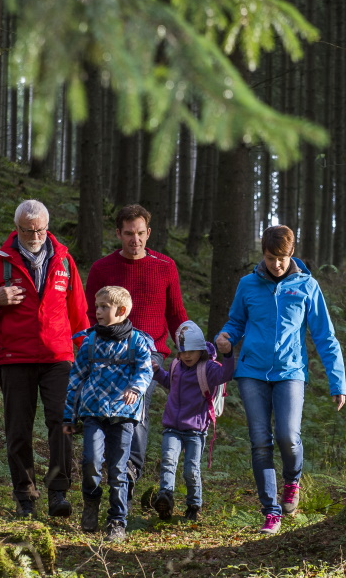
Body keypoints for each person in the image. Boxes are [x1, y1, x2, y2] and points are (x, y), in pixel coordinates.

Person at [216, 225, 346, 534]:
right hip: (251, 372)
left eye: (283, 258)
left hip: (290, 372)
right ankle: (270, 511)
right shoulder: (247, 284)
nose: (277, 264)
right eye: (271, 257)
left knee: (288, 435)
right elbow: (236, 321)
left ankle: (292, 481)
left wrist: (337, 381)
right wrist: (226, 337)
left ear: (292, 253)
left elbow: (326, 336)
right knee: (260, 442)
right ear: (263, 254)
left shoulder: (307, 286)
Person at [0, 200, 90, 519]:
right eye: (27, 230)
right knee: (19, 429)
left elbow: (79, 314)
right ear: (17, 228)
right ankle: (24, 495)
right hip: (14, 356)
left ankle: (58, 492)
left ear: (47, 228)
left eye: (39, 229)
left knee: (62, 423)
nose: (34, 235)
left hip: (58, 356)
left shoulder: (64, 259)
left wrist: (88, 355)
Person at [84, 204, 188, 506]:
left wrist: (191, 351)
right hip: (107, 353)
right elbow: (91, 315)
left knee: (137, 411)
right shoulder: (102, 269)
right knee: (108, 415)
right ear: (118, 233)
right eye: (129, 234)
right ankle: (104, 472)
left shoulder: (165, 267)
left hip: (150, 354)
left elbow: (176, 314)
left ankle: (129, 476)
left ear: (149, 233)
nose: (135, 240)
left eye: (140, 234)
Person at [62, 286, 155, 542]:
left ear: (122, 311)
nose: (98, 311)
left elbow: (145, 370)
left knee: (118, 467)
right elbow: (76, 378)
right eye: (97, 306)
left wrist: (135, 388)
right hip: (93, 412)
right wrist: (68, 416)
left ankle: (117, 520)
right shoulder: (90, 340)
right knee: (91, 461)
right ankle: (91, 502)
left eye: (104, 307)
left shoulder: (137, 341)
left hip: (124, 415)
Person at [149, 320, 237, 523]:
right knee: (169, 461)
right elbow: (169, 382)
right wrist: (156, 371)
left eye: (191, 350)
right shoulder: (176, 366)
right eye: (182, 351)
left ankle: (193, 505)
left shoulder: (208, 369)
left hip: (195, 430)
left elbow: (226, 374)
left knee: (191, 469)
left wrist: (229, 354)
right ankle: (166, 496)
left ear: (201, 350)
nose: (187, 355)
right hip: (172, 426)